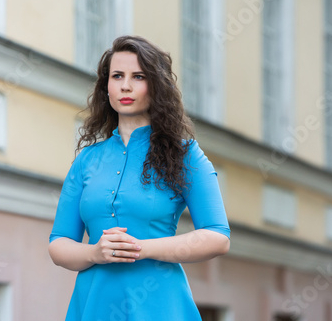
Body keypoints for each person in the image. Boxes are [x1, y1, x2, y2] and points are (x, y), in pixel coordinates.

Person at [48, 35, 230, 320]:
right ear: (105, 86)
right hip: (94, 303)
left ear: (156, 86)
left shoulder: (186, 155)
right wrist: (95, 253)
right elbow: (59, 243)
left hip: (160, 304)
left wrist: (142, 248)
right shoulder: (87, 160)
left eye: (138, 76)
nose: (125, 86)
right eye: (117, 76)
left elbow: (218, 236)